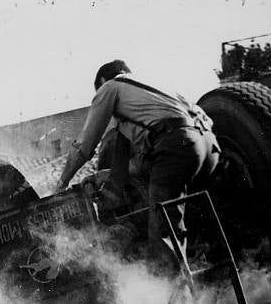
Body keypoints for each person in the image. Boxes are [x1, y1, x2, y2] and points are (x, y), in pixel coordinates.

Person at [55, 60, 220, 249]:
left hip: (177, 142)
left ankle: (166, 276)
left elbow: (84, 147)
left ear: (102, 80)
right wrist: (102, 175)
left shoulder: (110, 87)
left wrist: (62, 183)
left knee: (162, 229)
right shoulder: (157, 91)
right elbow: (149, 161)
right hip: (209, 144)